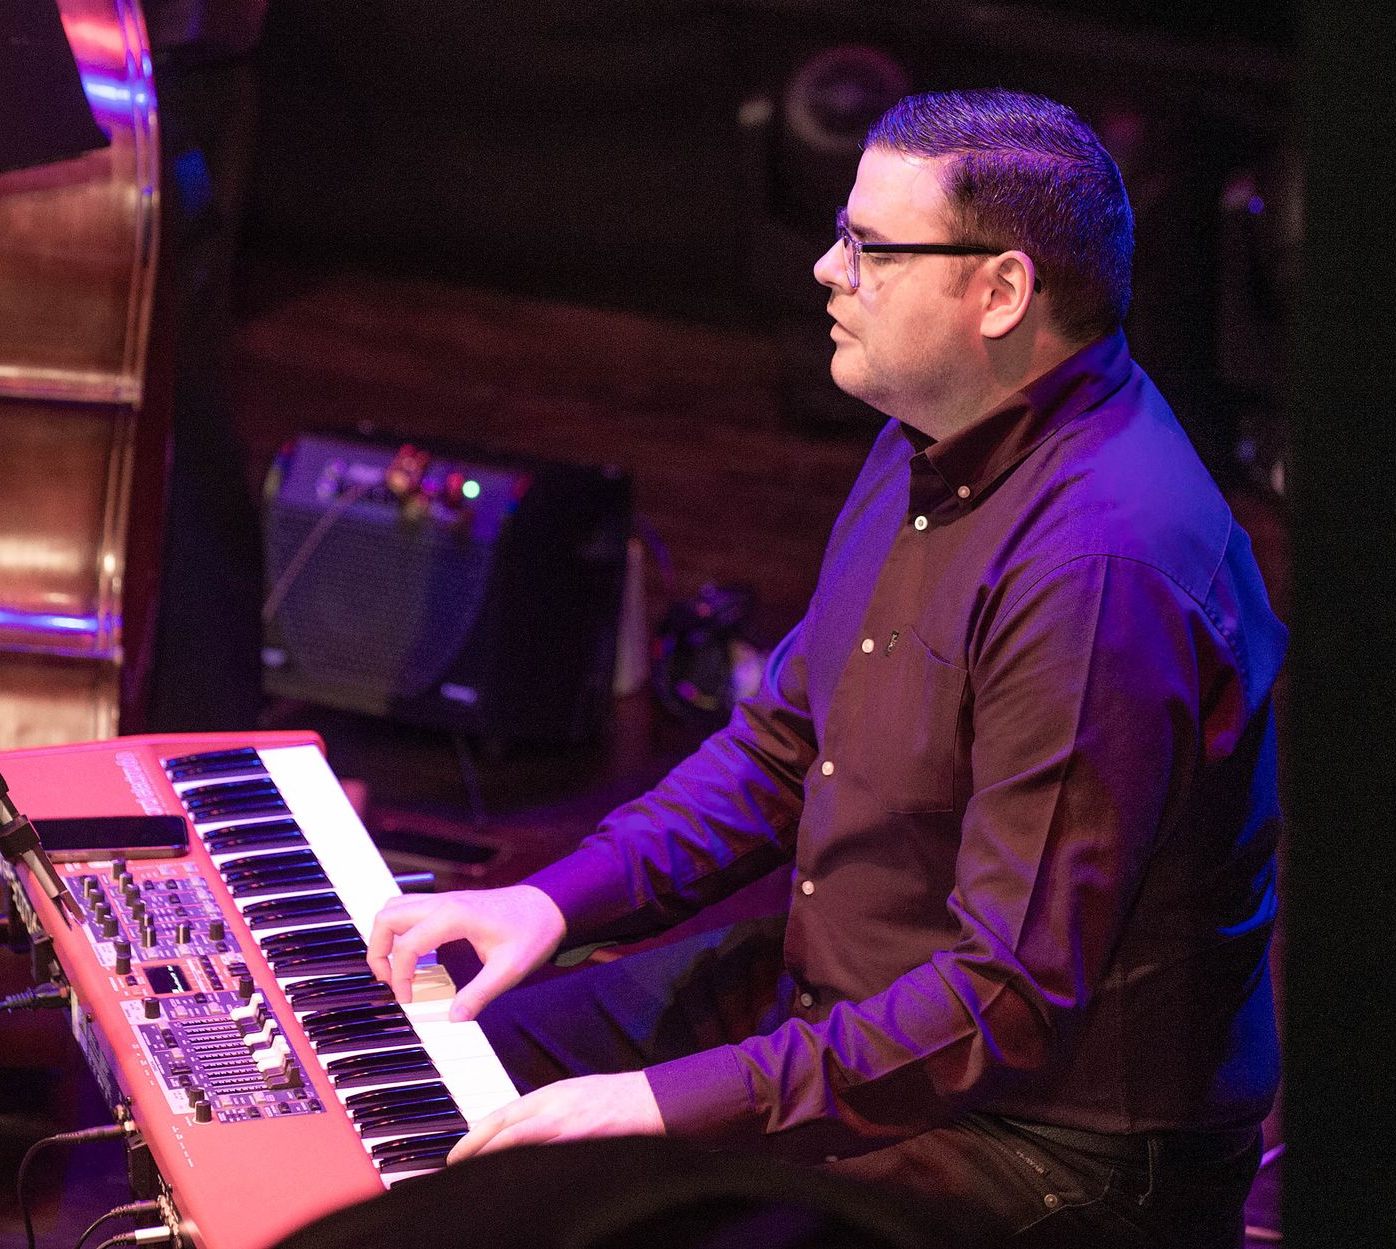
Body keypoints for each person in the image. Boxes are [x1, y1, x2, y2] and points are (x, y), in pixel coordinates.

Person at [367, 88, 1285, 1247]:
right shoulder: (934, 430)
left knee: (579, 1204)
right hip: (847, 1000)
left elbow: (1001, 1004)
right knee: (424, 1072)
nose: (824, 269)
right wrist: (551, 900)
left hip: (1042, 1139)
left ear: (1000, 292)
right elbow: (784, 743)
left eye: (868, 247)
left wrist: (662, 1106)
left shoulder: (1097, 569)